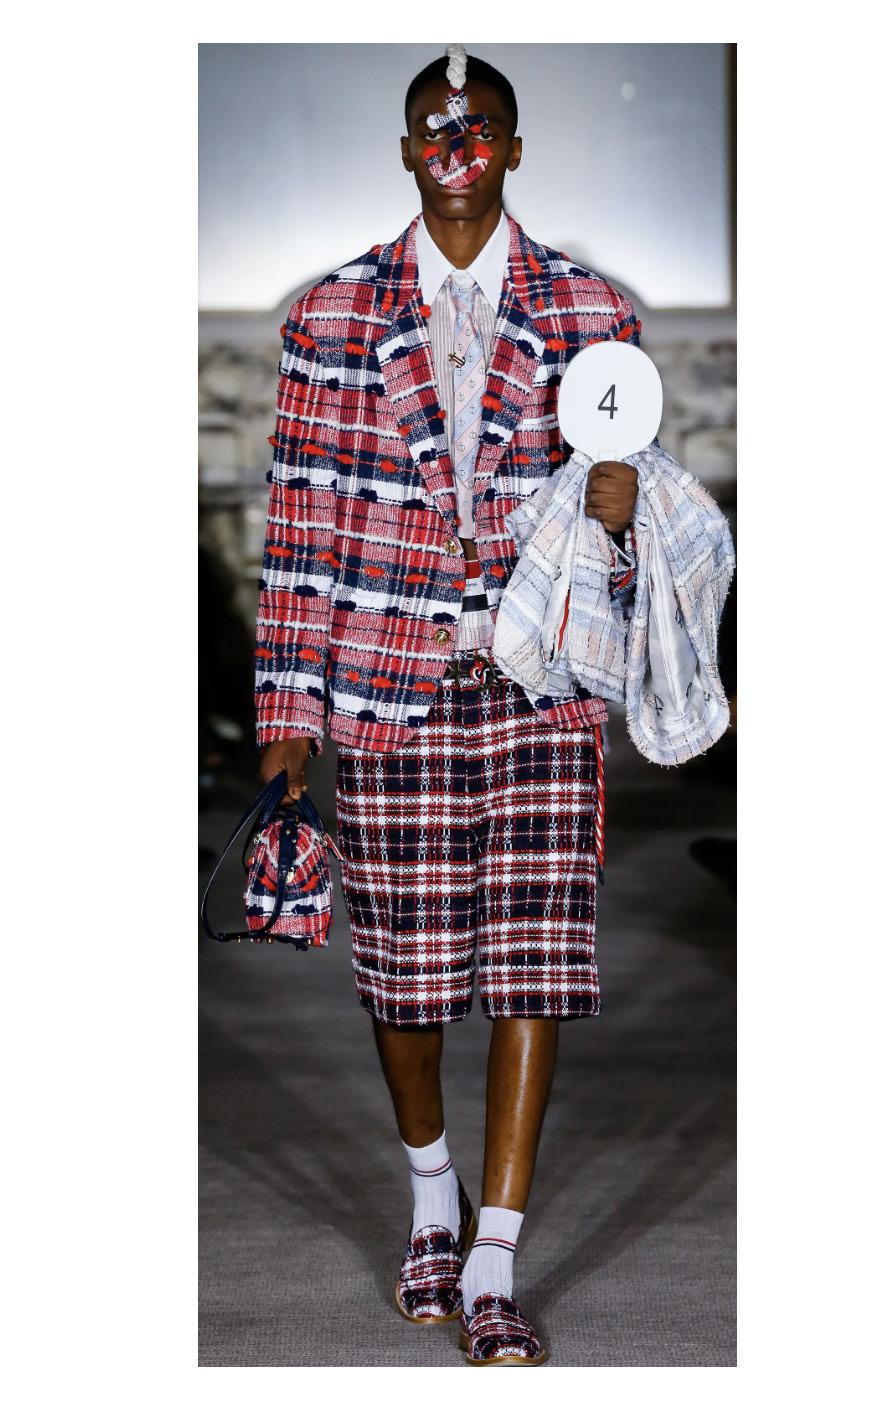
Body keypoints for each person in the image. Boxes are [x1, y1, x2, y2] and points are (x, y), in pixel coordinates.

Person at [255, 47, 641, 1366]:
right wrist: (286, 718)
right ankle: (432, 1195)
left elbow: (623, 535)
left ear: (514, 149)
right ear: (409, 147)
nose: (456, 146)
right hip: (385, 688)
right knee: (408, 978)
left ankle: (493, 1260)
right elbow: (299, 526)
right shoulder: (332, 316)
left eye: (479, 130)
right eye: (435, 126)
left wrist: (619, 524)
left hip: (541, 689)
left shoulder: (591, 311)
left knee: (535, 960)